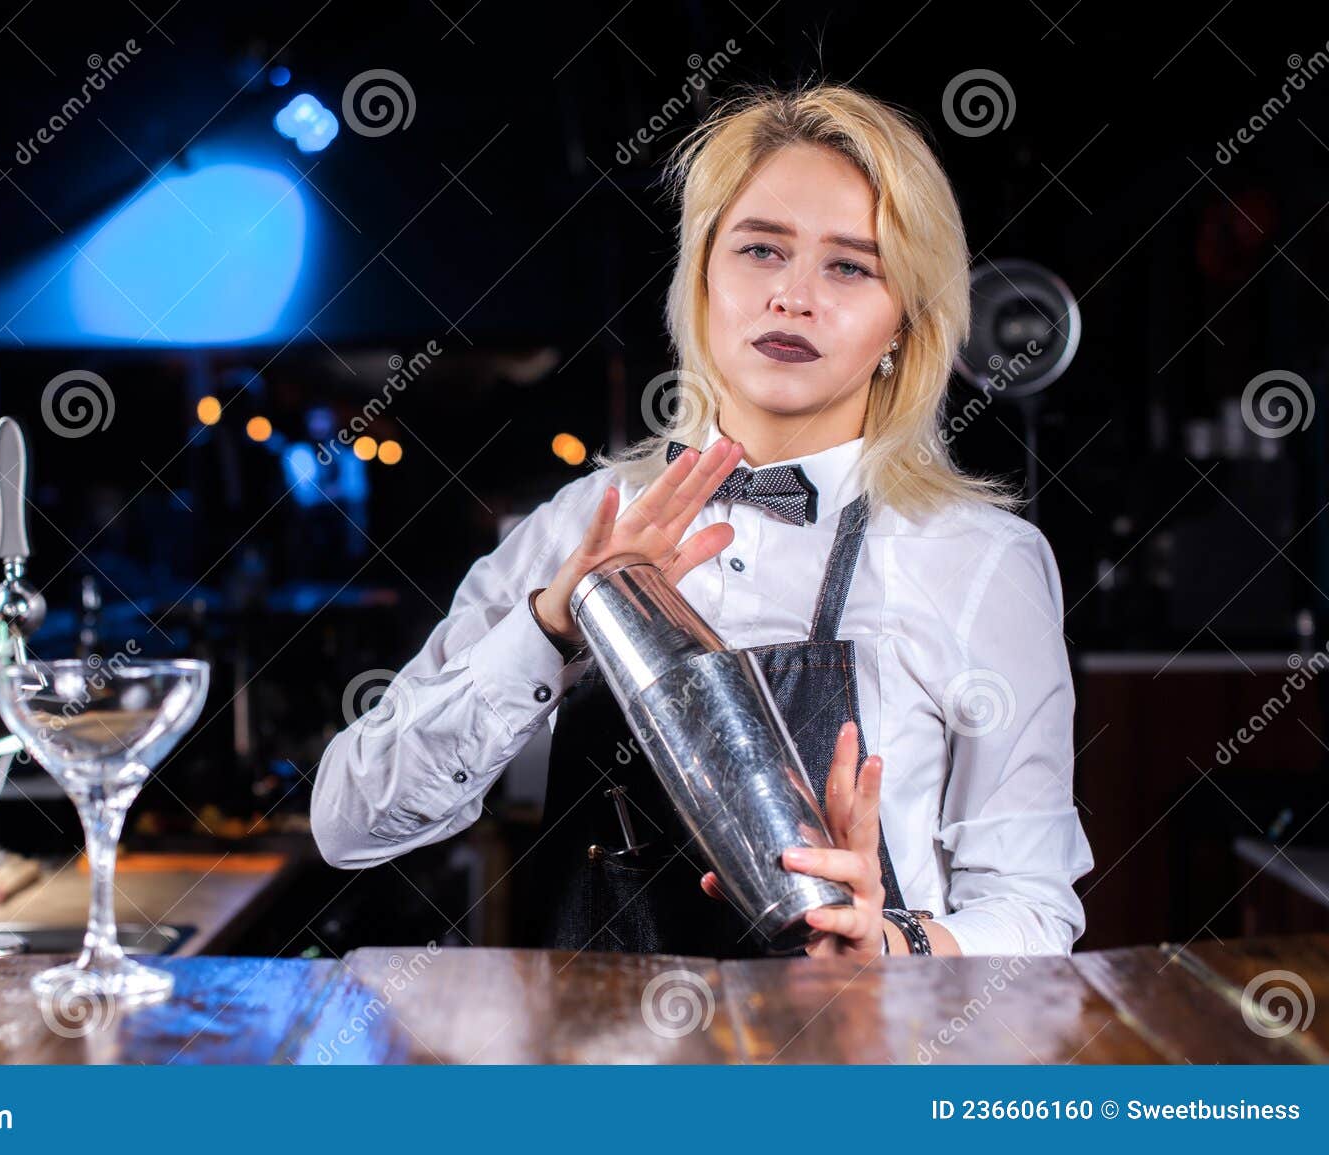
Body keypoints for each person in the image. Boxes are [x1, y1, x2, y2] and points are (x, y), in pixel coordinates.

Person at [310, 82, 1094, 960]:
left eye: (850, 265)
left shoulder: (981, 558)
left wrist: (894, 948)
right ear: (704, 277)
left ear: (905, 323)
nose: (794, 297)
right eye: (761, 249)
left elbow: (1032, 910)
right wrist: (552, 628)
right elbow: (350, 822)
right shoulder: (576, 523)